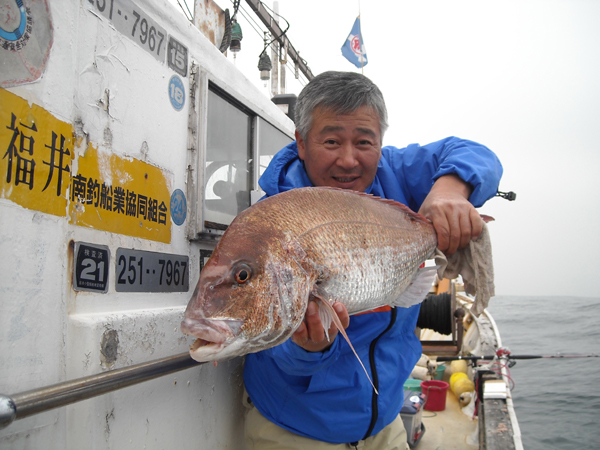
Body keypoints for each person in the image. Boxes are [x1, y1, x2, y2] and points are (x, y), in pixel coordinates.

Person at [242, 71, 503, 449]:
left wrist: (450, 189)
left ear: (380, 142)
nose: (348, 160)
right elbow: (262, 341)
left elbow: (476, 153)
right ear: (301, 142)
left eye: (364, 141)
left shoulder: (394, 173)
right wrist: (307, 349)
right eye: (331, 140)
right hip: (294, 430)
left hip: (385, 423)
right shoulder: (273, 225)